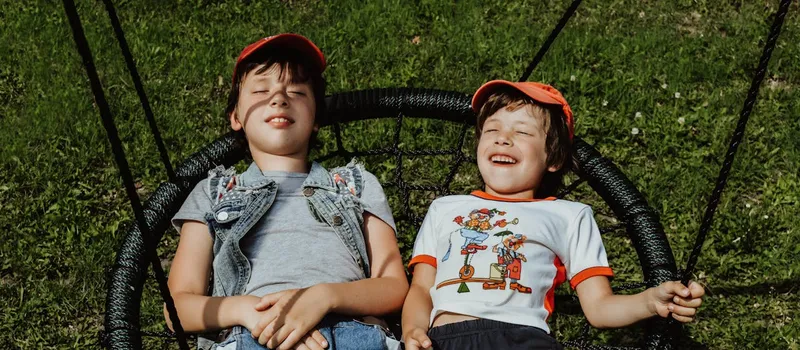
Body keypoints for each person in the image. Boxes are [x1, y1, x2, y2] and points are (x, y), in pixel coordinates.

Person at [401, 80, 705, 350]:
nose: (502, 138)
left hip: (520, 338)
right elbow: (421, 287)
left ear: (554, 158)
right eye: (492, 129)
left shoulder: (569, 215)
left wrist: (649, 302)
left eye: (521, 131)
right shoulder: (445, 208)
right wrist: (412, 329)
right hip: (441, 339)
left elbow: (599, 307)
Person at [165, 33, 407, 350]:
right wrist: (245, 310)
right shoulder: (214, 191)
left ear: (317, 118)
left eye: (296, 91)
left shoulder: (354, 184)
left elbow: (393, 287)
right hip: (253, 333)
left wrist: (324, 296)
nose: (279, 98)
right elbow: (177, 308)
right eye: (262, 90)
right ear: (236, 117)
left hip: (354, 331)